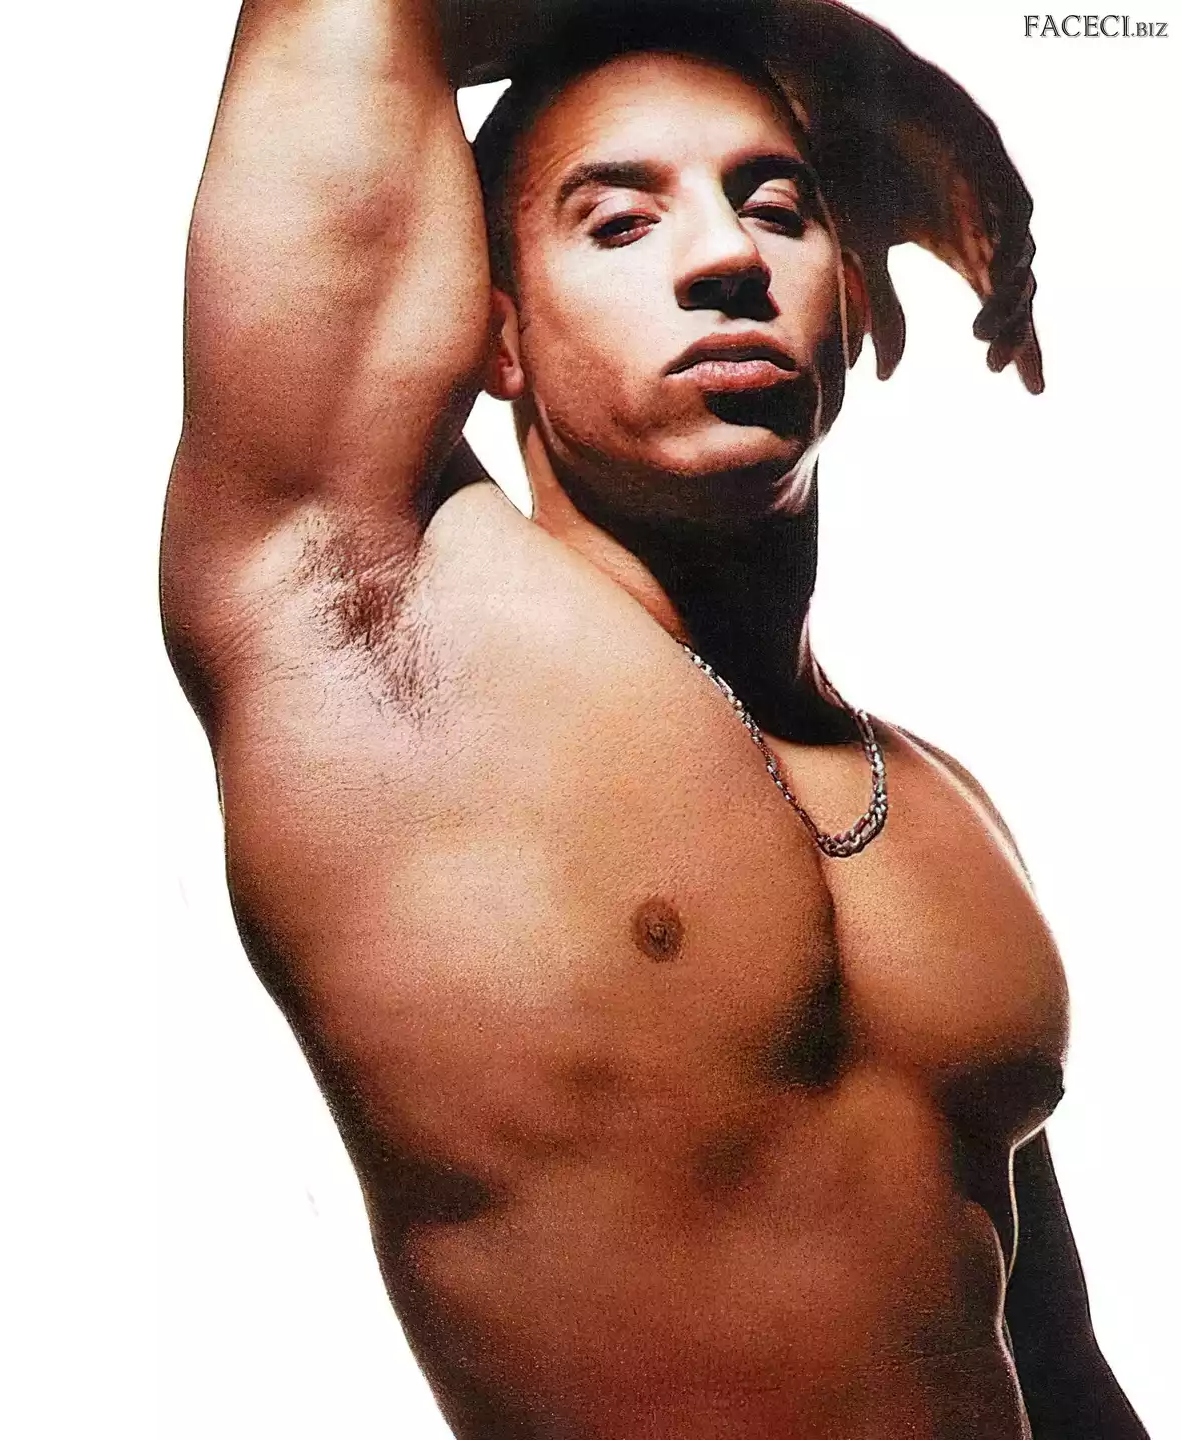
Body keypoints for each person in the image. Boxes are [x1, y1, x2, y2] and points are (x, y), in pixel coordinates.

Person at [158, 0, 1148, 1434]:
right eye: (621, 223)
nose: (728, 258)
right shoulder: (371, 622)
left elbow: (1061, 1376)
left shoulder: (945, 808)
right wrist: (853, 62)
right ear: (493, 330)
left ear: (851, 296)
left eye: (779, 209)